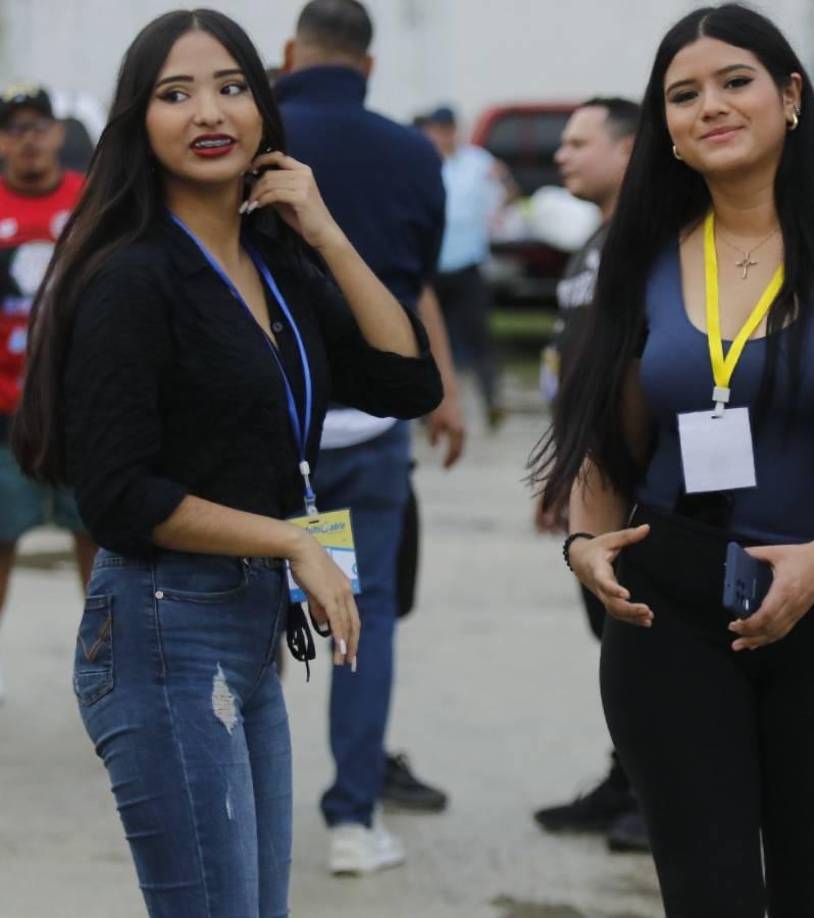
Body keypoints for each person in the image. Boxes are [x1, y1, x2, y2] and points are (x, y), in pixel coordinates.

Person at [531, 5, 814, 915]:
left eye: (735, 82)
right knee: (708, 895)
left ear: (791, 97)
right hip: (672, 612)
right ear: (669, 133)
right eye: (682, 96)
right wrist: (583, 546)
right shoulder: (639, 258)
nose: (709, 107)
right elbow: (610, 445)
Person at [11, 10, 441, 915]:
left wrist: (324, 229)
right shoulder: (132, 276)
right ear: (140, 120)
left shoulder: (274, 256)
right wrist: (292, 542)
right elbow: (118, 497)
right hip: (165, 626)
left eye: (231, 86)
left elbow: (406, 382)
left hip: (243, 630)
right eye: (176, 93)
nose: (209, 111)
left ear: (264, 103)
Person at [277, 0, 463, 876]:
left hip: (274, 428)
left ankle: (250, 808)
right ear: (371, 65)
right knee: (363, 617)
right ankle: (353, 819)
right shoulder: (411, 154)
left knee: (251, 616)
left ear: (288, 53)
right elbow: (411, 285)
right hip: (372, 425)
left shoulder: (259, 132)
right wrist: (446, 392)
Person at [531, 97, 650, 854]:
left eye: (579, 142)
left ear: (629, 149)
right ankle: (627, 776)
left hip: (637, 487)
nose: (561, 156)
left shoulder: (647, 245)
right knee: (611, 644)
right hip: (588, 479)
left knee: (645, 644)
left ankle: (658, 794)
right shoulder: (592, 243)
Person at [0, 83, 95, 703]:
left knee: (103, 552)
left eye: (39, 127)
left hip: (80, 414)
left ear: (59, 134)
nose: (28, 139)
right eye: (14, 128)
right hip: (2, 420)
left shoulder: (92, 203)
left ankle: (109, 674)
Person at [420, 105, 507, 428]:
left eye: (444, 130)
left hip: (467, 264)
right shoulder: (423, 162)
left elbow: (502, 195)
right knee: (425, 339)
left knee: (479, 338)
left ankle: (492, 402)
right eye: (434, 130)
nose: (440, 136)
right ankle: (426, 408)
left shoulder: (478, 162)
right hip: (431, 269)